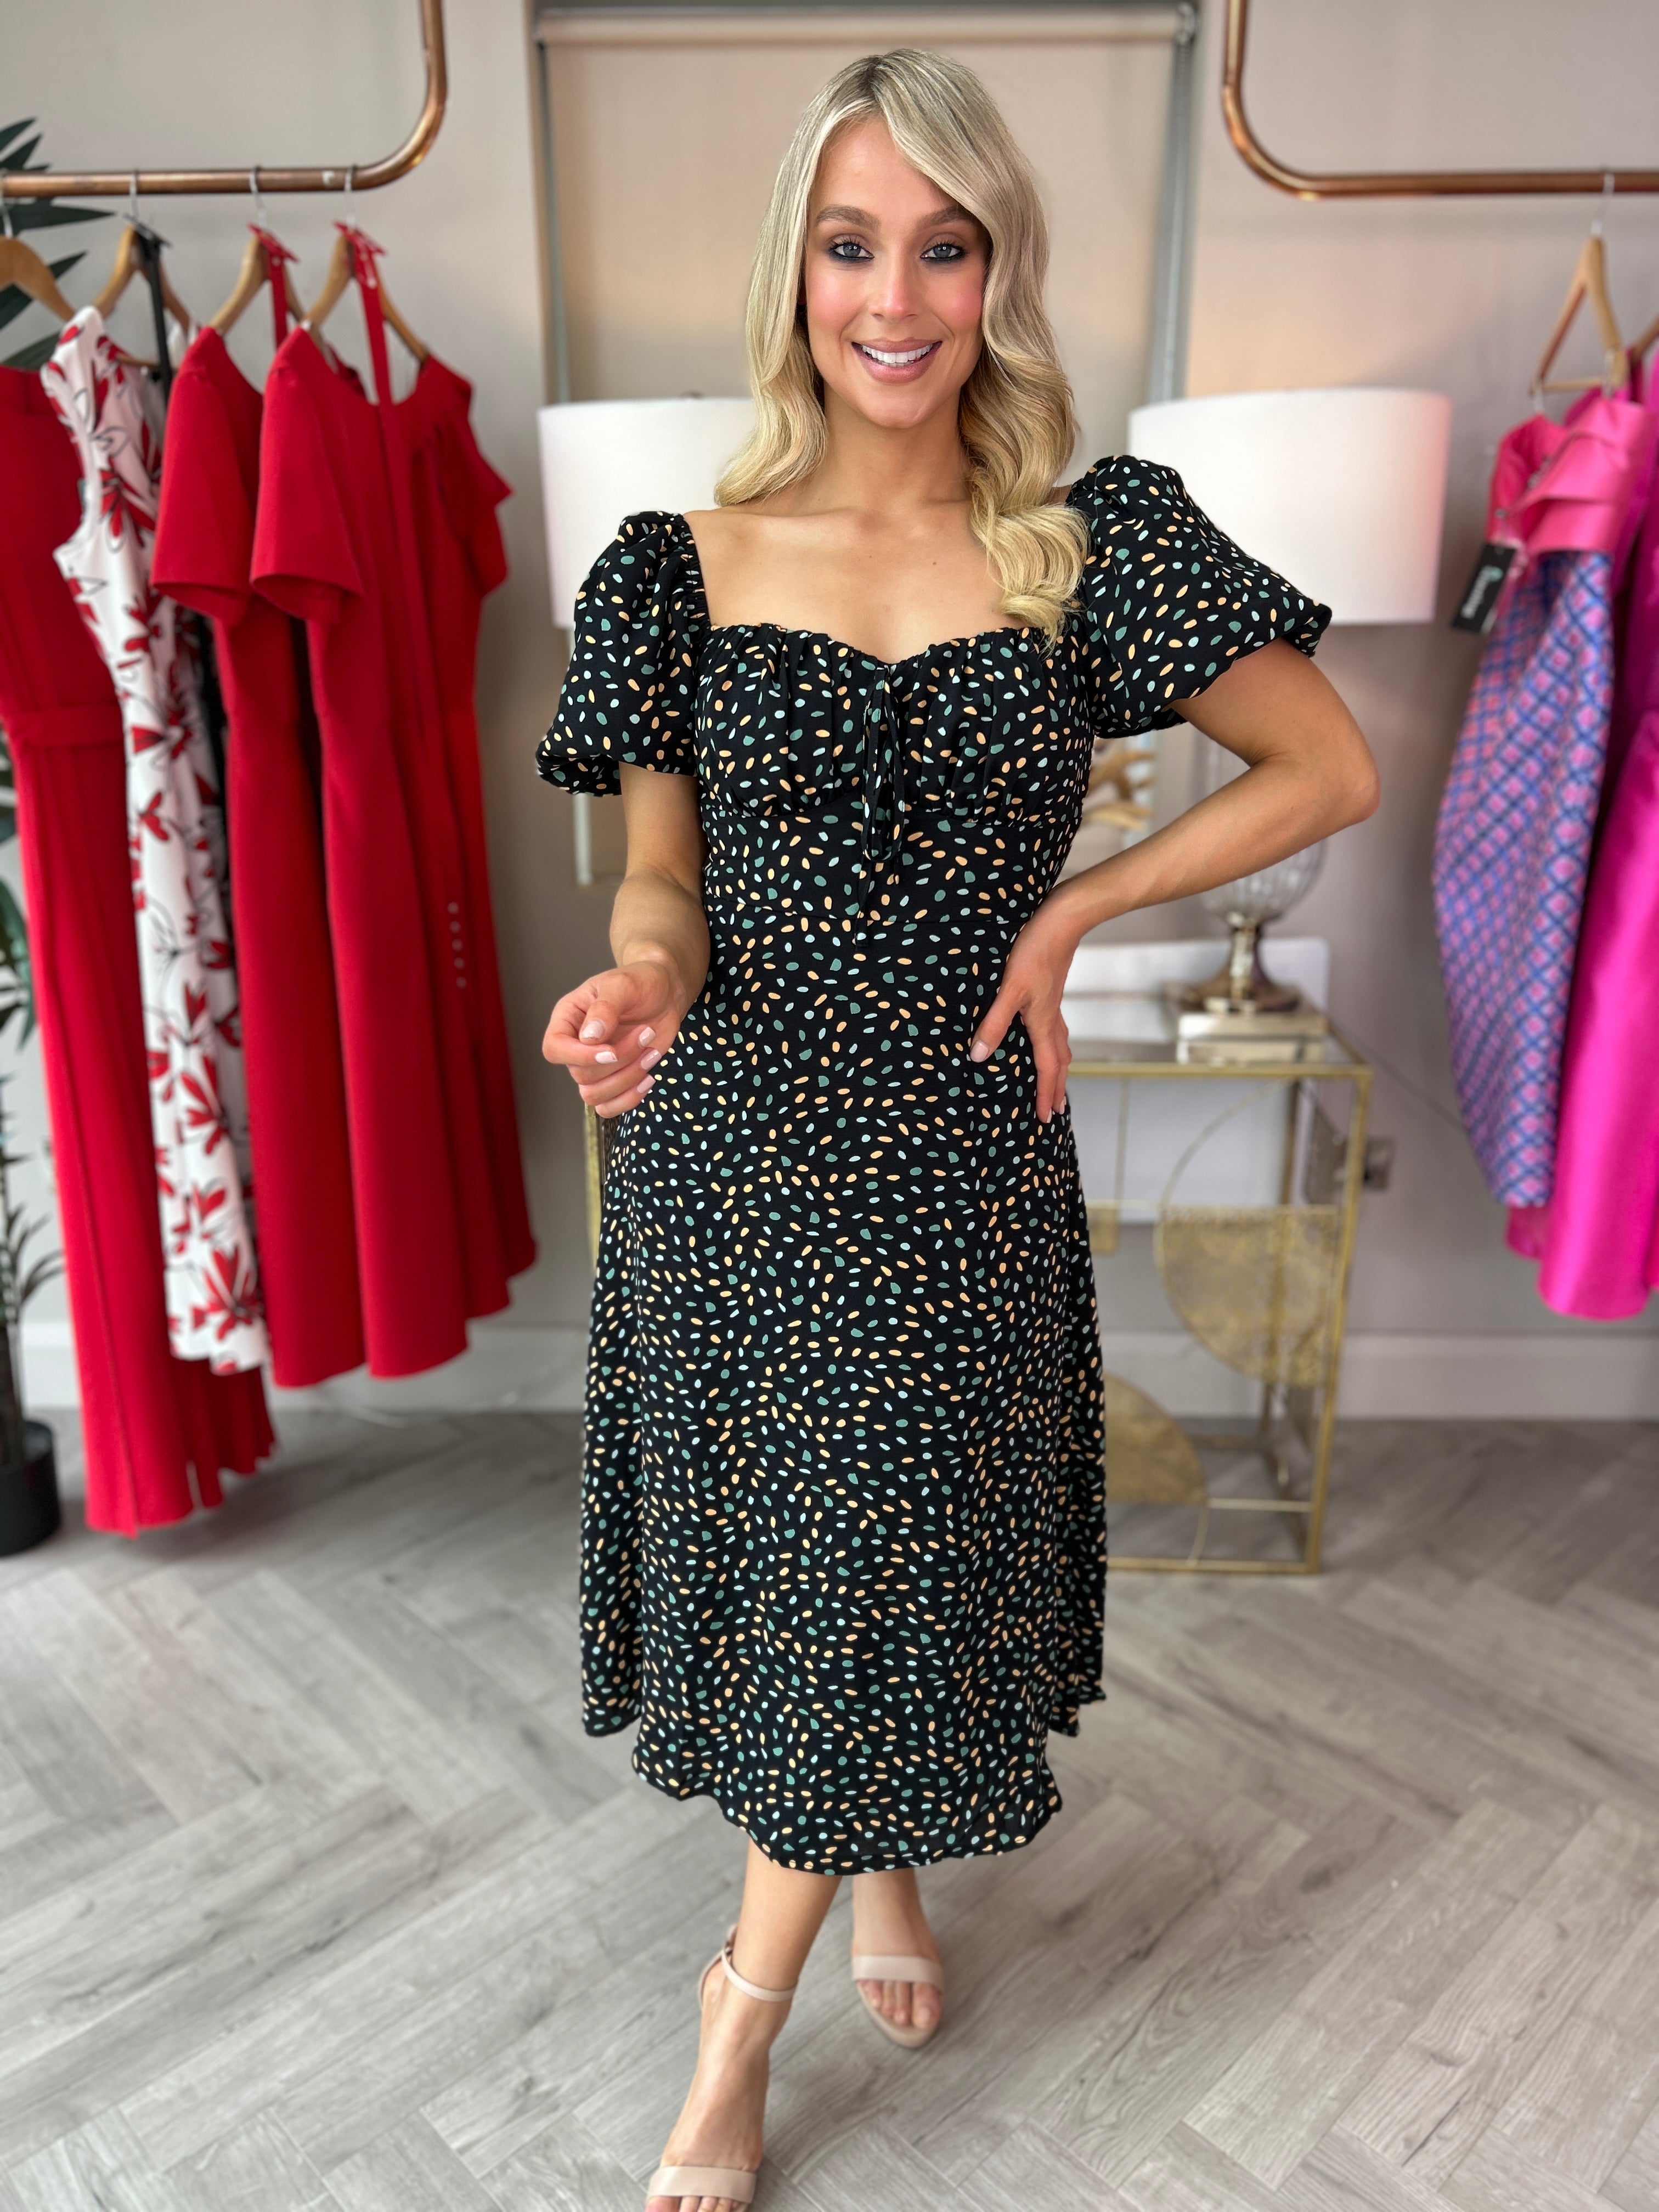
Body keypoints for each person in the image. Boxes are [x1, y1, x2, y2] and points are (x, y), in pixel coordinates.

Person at [535, 48, 1378, 2212]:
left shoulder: (1088, 548)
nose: (894, 297)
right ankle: (848, 1904)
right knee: (829, 1559)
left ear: (999, 273)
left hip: (957, 1148)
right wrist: (642, 985)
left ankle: (735, 2022)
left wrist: (1078, 905)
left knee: (885, 1537)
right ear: (794, 273)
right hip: (739, 1149)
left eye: (945, 246)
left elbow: (1328, 768)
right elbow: (661, 882)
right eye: (851, 246)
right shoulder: (672, 566)